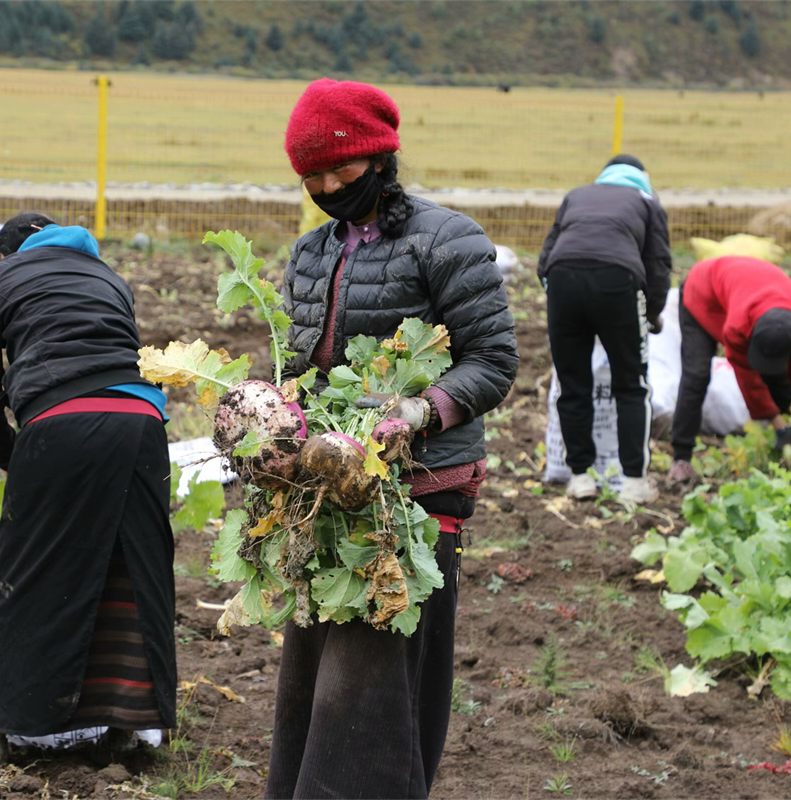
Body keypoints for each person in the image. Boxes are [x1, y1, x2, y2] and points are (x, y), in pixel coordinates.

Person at [268, 78, 519, 800]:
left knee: (372, 684)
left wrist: (420, 412)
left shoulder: (446, 240)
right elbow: (301, 367)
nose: (326, 186)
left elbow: (494, 360)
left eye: (339, 168)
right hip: (327, 492)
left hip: (414, 495)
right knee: (313, 674)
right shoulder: (311, 253)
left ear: (379, 158)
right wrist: (275, 418)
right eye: (311, 175)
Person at [0, 212, 176, 762]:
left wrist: (16, 461)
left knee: (26, 571)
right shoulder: (109, 278)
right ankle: (128, 727)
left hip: (60, 421)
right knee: (132, 566)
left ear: (6, 256)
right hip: (142, 424)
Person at [537, 154, 672, 504]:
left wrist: (561, 296)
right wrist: (650, 314)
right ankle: (634, 482)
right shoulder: (647, 201)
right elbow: (658, 266)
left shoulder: (577, 195)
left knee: (572, 384)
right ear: (643, 178)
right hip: (618, 280)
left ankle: (580, 477)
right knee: (631, 384)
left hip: (562, 278)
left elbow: (545, 258)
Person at [668, 255, 791, 481]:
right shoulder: (737, 326)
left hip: (747, 290)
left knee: (777, 376)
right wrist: (779, 426)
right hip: (702, 290)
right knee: (697, 374)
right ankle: (681, 458)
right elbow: (749, 383)